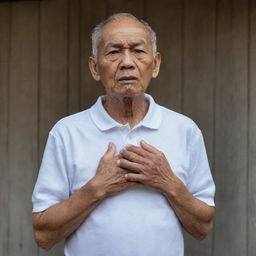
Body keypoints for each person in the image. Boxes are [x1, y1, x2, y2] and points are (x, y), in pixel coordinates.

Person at [32, 13, 215, 256]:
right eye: (113, 52)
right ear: (95, 67)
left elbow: (203, 226)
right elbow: (43, 235)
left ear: (156, 63)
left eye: (138, 51)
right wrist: (98, 187)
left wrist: (167, 182)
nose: (127, 62)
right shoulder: (66, 132)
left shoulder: (185, 130)